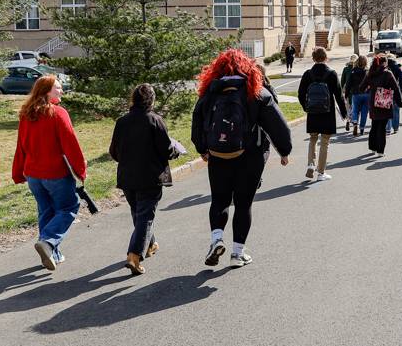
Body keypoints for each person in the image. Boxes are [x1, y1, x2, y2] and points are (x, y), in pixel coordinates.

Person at [192, 49, 293, 267]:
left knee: (219, 199)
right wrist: (284, 150)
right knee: (243, 204)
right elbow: (278, 126)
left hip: (218, 154)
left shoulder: (209, 92)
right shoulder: (257, 93)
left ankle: (216, 238)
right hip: (251, 156)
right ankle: (237, 253)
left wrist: (202, 148)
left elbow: (197, 121)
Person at [11, 74, 87, 272]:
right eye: (57, 88)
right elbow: (70, 144)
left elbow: (21, 146)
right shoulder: (58, 113)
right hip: (55, 174)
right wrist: (81, 169)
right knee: (69, 207)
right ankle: (48, 242)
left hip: (33, 175)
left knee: (46, 211)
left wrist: (19, 171)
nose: (61, 91)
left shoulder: (26, 114)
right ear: (46, 91)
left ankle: (52, 253)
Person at [109, 83, 178, 275]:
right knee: (145, 216)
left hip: (127, 176)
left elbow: (113, 151)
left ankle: (150, 244)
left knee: (139, 214)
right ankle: (134, 255)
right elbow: (165, 149)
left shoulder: (121, 122)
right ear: (152, 100)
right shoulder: (155, 120)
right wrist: (174, 151)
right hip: (150, 177)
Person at [297, 46, 347, 181]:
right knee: (324, 142)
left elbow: (301, 94)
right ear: (326, 57)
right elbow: (339, 96)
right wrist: (344, 113)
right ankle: (321, 172)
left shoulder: (308, 74)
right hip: (327, 112)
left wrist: (305, 107)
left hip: (312, 112)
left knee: (313, 139)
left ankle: (310, 164)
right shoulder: (331, 73)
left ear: (313, 58)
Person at [361, 53, 402, 158]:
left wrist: (370, 89)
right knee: (382, 127)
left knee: (374, 125)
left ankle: (372, 147)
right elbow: (396, 88)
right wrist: (399, 101)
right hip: (385, 102)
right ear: (384, 63)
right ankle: (380, 150)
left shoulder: (370, 73)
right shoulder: (387, 74)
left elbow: (361, 87)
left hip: (373, 102)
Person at [346, 54, 370, 136]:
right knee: (364, 112)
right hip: (366, 94)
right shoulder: (367, 71)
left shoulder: (353, 71)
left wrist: (346, 94)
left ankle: (355, 122)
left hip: (356, 93)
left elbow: (348, 84)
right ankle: (362, 128)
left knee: (355, 109)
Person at [385, 54, 402, 135]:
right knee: (396, 110)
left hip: (386, 92)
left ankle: (388, 128)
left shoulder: (385, 68)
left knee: (387, 110)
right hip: (396, 91)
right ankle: (396, 128)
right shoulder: (397, 68)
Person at [340, 55, 358, 133]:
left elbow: (342, 81)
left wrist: (342, 90)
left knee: (348, 107)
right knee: (355, 108)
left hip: (347, 90)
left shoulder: (346, 69)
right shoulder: (357, 69)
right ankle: (354, 123)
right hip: (355, 91)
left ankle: (348, 120)